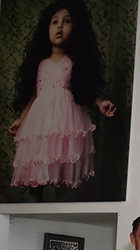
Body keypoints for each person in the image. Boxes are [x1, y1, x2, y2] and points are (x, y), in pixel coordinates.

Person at [9, 0, 115, 191]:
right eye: (54, 22)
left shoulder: (74, 62)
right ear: (46, 28)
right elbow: (34, 95)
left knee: (63, 165)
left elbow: (83, 90)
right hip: (41, 121)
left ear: (76, 28)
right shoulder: (40, 64)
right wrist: (21, 119)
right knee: (41, 164)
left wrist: (100, 103)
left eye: (66, 21)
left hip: (68, 120)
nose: (59, 26)